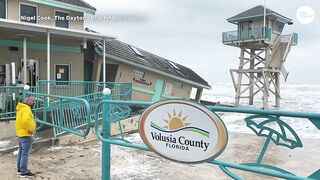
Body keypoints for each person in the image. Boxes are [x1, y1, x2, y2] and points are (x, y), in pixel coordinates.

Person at [15, 95, 36, 178]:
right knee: (25, 154)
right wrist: (31, 130)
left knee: (21, 152)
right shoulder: (26, 109)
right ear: (27, 100)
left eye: (34, 100)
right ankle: (24, 171)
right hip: (26, 134)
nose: (34, 102)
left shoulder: (21, 108)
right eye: (32, 100)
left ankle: (20, 169)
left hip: (20, 134)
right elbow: (26, 122)